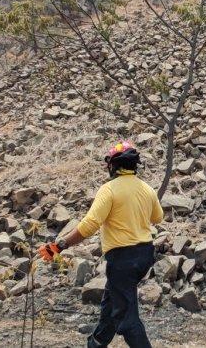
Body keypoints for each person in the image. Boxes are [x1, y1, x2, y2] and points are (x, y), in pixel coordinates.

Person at [38, 140, 164, 348]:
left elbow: (89, 225)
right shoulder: (147, 189)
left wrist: (59, 246)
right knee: (112, 305)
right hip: (144, 255)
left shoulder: (109, 189)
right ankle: (96, 344)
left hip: (123, 259)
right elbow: (158, 218)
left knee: (127, 320)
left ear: (114, 165)